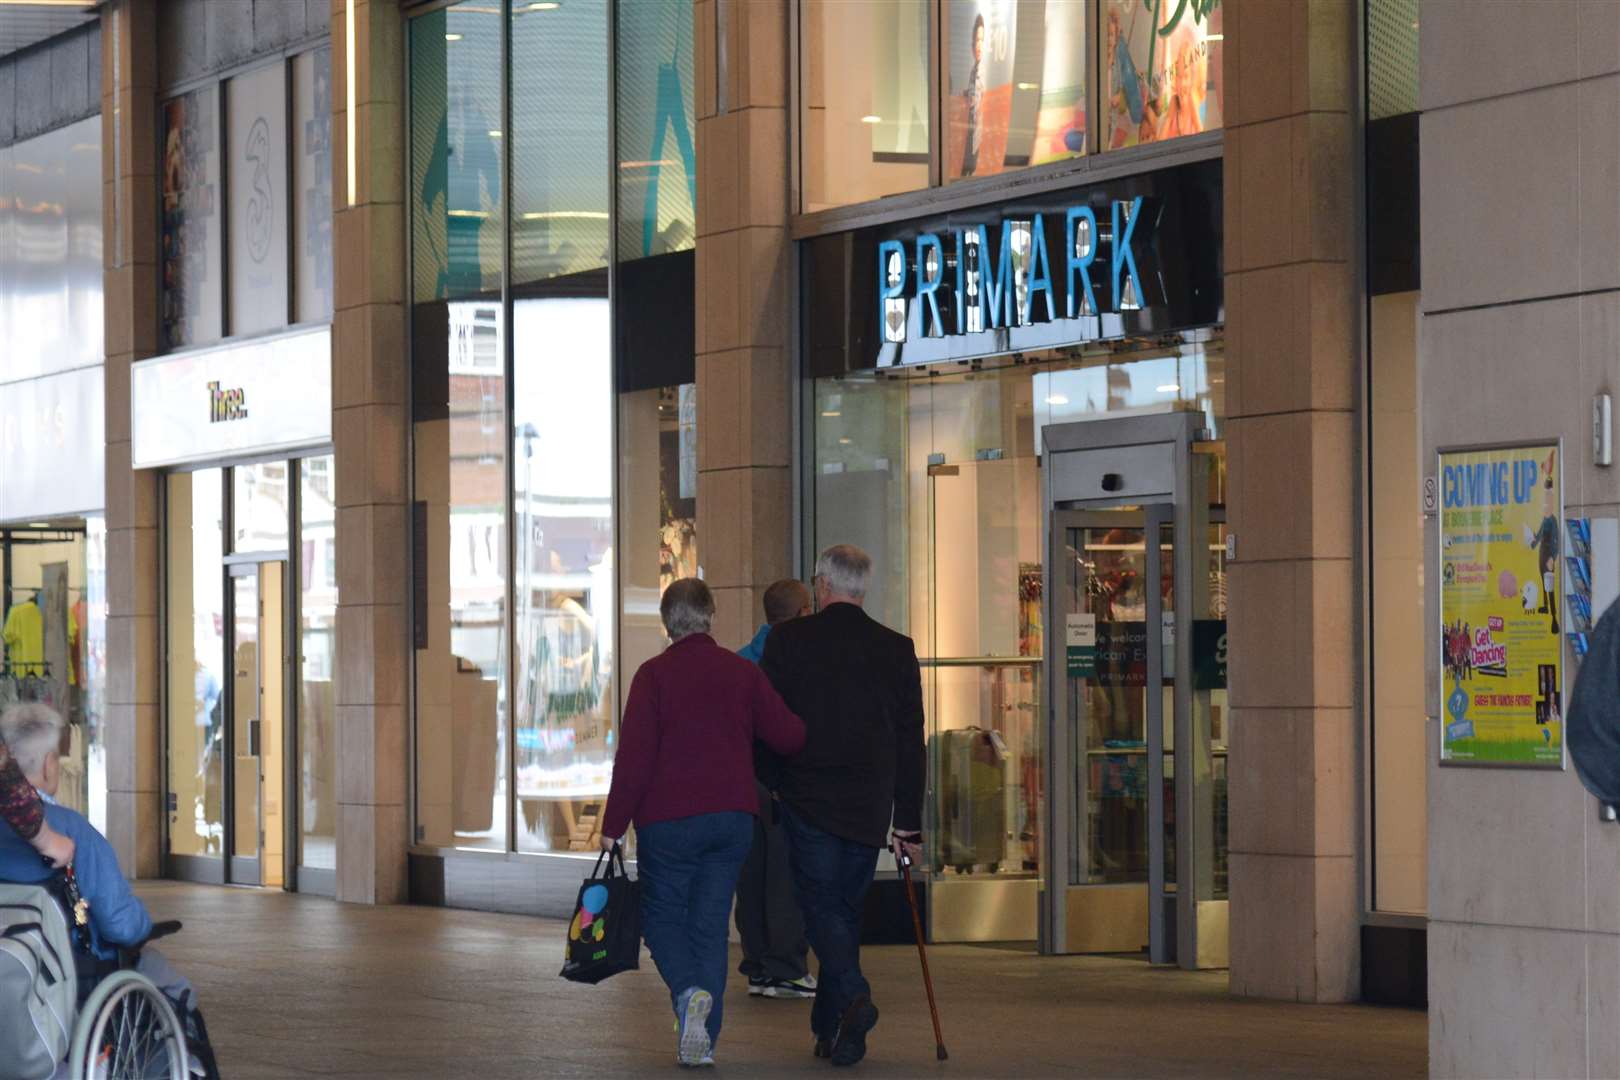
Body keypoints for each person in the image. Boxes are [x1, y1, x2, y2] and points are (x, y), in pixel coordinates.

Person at [599, 578, 806, 1068]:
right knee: (710, 927)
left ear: (667, 623)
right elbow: (789, 735)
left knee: (661, 918)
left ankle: (689, 991)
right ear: (711, 615)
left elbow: (634, 757)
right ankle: (702, 1042)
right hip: (732, 818)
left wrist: (614, 823)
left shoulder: (653, 676)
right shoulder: (741, 672)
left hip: (668, 821)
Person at [760, 544, 926, 1067]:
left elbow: (766, 721)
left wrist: (771, 783)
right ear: (863, 588)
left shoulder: (787, 640)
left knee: (821, 910)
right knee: (843, 912)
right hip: (868, 806)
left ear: (821, 586)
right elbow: (910, 740)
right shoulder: (897, 648)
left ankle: (853, 997)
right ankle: (834, 1031)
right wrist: (909, 823)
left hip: (808, 799)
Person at [0, 704, 216, 1076]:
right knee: (172, 987)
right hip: (69, 975)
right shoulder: (72, 831)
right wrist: (145, 927)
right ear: (50, 764)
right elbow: (123, 926)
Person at [734, 579, 816, 999]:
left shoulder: (741, 660)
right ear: (802, 612)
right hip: (784, 782)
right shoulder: (799, 660)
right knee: (785, 876)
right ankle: (786, 966)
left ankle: (759, 965)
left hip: (743, 782)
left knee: (751, 876)